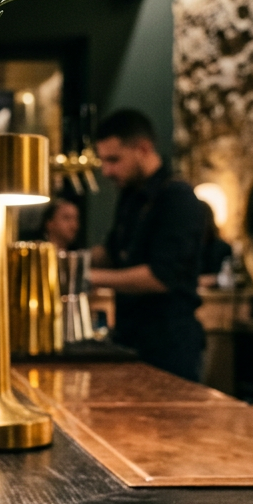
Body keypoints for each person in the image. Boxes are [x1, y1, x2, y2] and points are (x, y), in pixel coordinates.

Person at [89, 109, 208, 381]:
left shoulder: (178, 197)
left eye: (114, 160)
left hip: (169, 346)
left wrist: (87, 277)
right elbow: (111, 252)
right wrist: (66, 260)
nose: (107, 171)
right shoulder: (131, 195)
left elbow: (161, 277)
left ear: (143, 148)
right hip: (131, 339)